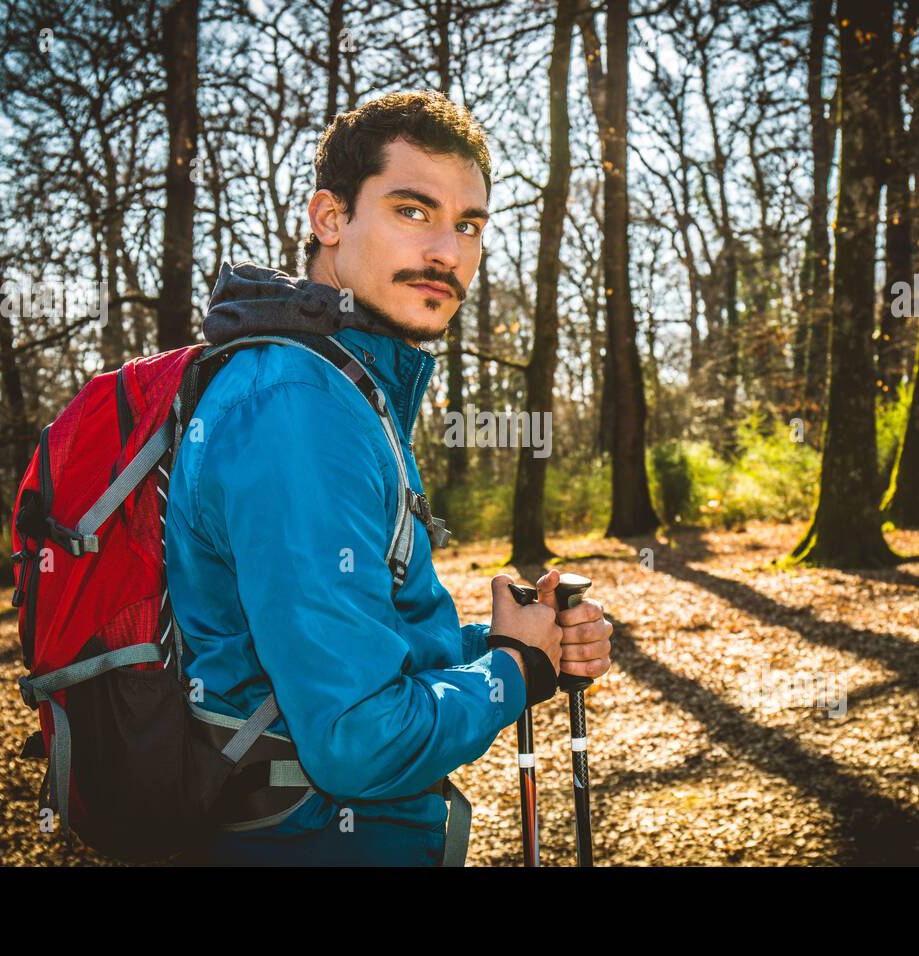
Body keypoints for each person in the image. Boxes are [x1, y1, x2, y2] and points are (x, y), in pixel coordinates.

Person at [165, 89, 613, 866]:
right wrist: (514, 671)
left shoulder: (343, 388)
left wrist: (507, 640)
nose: (447, 250)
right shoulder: (297, 408)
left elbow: (366, 647)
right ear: (330, 219)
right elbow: (357, 740)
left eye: (468, 224)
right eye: (413, 210)